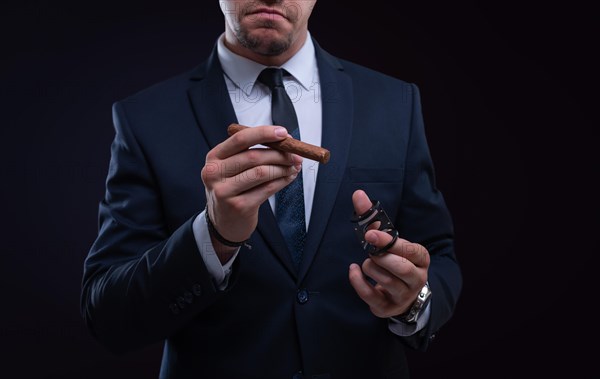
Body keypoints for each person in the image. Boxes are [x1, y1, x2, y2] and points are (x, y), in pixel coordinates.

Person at [81, 1, 462, 378]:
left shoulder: (394, 101)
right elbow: (109, 317)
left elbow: (438, 255)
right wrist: (214, 237)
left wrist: (414, 301)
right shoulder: (145, 118)